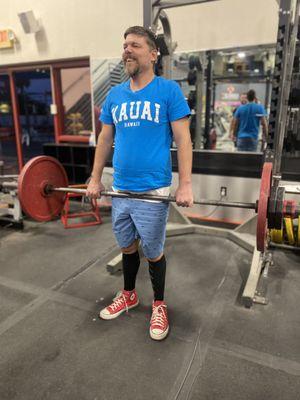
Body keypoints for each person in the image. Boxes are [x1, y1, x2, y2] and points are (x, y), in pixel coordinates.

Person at [87, 26, 193, 341]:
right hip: (121, 187)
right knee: (126, 246)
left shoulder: (168, 90)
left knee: (153, 250)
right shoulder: (115, 95)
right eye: (124, 46)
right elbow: (105, 139)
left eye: (134, 45)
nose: (127, 50)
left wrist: (184, 183)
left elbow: (183, 139)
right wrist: (95, 178)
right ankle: (129, 294)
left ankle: (159, 304)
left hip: (152, 189)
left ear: (153, 53)